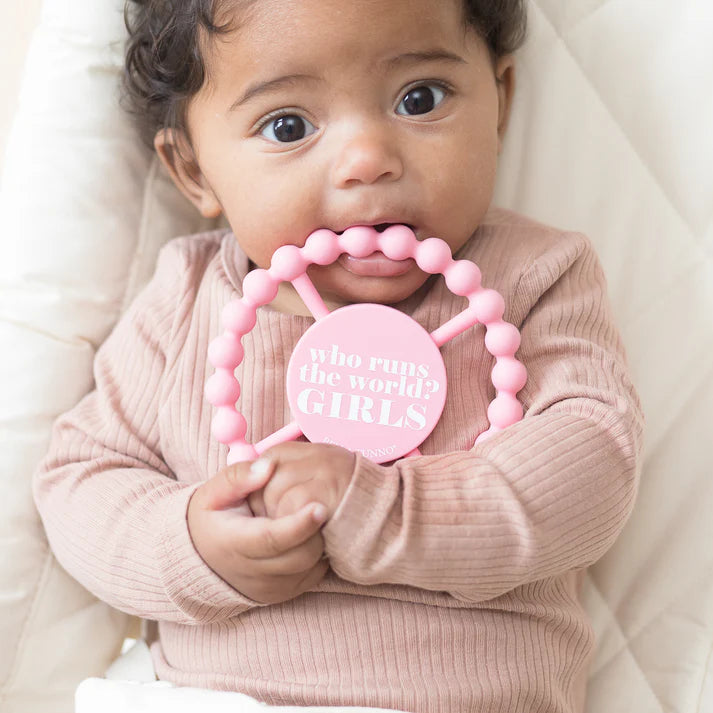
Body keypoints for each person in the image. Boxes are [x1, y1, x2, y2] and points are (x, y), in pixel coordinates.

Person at [32, 0, 644, 711]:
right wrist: (192, 544)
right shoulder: (188, 297)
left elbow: (593, 461)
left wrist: (385, 508)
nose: (368, 161)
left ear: (499, 102)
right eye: (287, 126)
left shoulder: (536, 275)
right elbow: (81, 477)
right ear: (193, 169)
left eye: (420, 99)